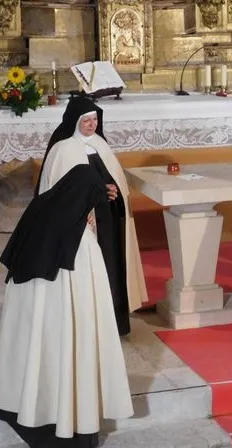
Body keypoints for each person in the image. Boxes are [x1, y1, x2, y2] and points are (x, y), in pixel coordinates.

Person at [0, 99, 137, 448]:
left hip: (43, 337)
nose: (92, 125)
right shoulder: (83, 247)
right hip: (70, 318)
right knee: (73, 353)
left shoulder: (38, 225)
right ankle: (73, 427)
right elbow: (90, 316)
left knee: (49, 357)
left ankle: (42, 418)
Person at [33, 95, 147, 336]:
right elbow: (59, 193)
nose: (92, 124)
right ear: (75, 121)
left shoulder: (100, 145)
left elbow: (112, 181)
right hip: (80, 224)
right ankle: (86, 326)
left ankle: (113, 323)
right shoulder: (63, 150)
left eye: (95, 119)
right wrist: (85, 207)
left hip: (107, 220)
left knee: (111, 269)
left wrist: (114, 193)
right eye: (87, 120)